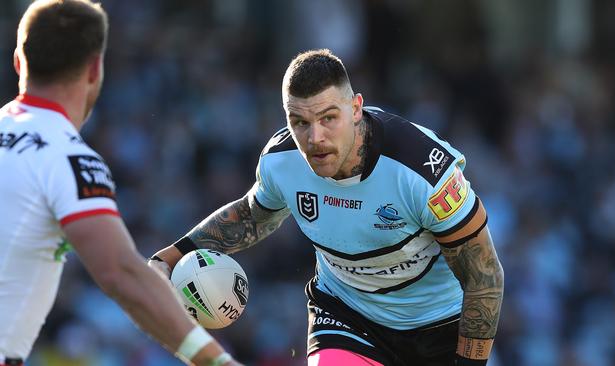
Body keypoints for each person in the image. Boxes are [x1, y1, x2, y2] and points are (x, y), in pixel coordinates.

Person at [150, 49, 504, 366]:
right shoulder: (282, 161)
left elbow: (484, 274)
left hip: (439, 326)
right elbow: (251, 216)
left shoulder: (421, 171)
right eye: (299, 122)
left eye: (328, 118)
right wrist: (168, 258)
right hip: (346, 314)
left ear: (355, 108)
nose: (314, 138)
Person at [0, 1, 242, 365]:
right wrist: (216, 361)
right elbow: (120, 273)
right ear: (95, 69)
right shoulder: (68, 159)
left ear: (19, 61)